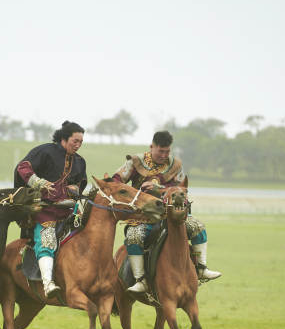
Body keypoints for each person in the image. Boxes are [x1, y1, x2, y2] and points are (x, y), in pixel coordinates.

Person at [113, 130, 221, 293]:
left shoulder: (175, 165)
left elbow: (182, 188)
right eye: (160, 151)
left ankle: (201, 268)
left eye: (167, 151)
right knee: (134, 237)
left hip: (171, 215)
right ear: (152, 147)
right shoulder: (135, 162)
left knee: (197, 226)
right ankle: (140, 280)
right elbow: (116, 182)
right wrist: (135, 193)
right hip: (143, 216)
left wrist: (160, 188)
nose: (164, 155)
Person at [14, 121, 88, 297]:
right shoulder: (45, 151)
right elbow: (22, 167)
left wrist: (75, 189)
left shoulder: (79, 161)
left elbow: (80, 184)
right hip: (45, 211)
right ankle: (48, 283)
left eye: (80, 142)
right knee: (46, 241)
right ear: (64, 139)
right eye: (74, 141)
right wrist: (38, 183)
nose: (77, 145)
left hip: (70, 212)